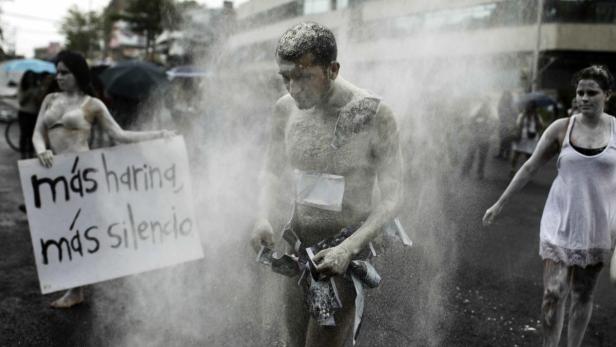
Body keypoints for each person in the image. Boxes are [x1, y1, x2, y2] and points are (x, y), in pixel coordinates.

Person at [250, 22, 402, 346]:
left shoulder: (374, 114)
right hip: (295, 250)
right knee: (293, 341)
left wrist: (347, 249)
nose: (293, 88)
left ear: (332, 69)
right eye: (285, 77)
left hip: (341, 258)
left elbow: (393, 197)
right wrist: (262, 215)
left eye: (304, 76)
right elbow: (271, 171)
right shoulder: (284, 110)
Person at [482, 65, 616, 347]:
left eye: (592, 92)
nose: (584, 98)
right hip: (560, 220)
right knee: (553, 294)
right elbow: (530, 167)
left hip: (598, 224)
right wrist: (499, 203)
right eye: (580, 92)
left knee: (582, 295)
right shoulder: (561, 128)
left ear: (608, 94)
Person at [32, 50, 174, 308]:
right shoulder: (50, 98)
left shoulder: (93, 104)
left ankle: (77, 290)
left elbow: (120, 135)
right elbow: (37, 133)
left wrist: (157, 133)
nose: (59, 76)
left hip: (82, 178)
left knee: (80, 233)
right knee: (61, 232)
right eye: (58, 71)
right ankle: (75, 287)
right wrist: (41, 150)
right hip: (55, 178)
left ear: (78, 74)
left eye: (64, 72)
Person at [461, 97, 494, 180]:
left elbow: (493, 126)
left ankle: (475, 172)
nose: (485, 108)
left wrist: (489, 131)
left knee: (479, 156)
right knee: (473, 155)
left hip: (483, 139)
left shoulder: (490, 115)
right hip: (478, 138)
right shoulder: (477, 114)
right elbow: (470, 125)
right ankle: (467, 171)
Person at [510, 100, 544, 176]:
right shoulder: (522, 115)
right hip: (522, 137)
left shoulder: (537, 116)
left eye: (533, 108)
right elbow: (518, 125)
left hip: (532, 138)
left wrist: (538, 123)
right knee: (516, 153)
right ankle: (513, 169)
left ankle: (526, 171)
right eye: (531, 107)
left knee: (529, 156)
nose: (532, 109)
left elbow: (541, 126)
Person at [17, 71, 44, 159]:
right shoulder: (22, 86)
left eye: (32, 77)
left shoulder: (38, 87)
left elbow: (39, 103)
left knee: (32, 135)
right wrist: (28, 93)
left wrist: (36, 97)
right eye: (29, 77)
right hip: (24, 113)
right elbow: (21, 102)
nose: (30, 79)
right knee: (24, 134)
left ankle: (31, 154)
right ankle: (23, 154)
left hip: (34, 114)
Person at [495, 90, 517, 160]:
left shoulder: (512, 105)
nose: (506, 97)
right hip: (502, 123)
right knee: (502, 139)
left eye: (507, 95)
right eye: (505, 95)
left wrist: (512, 122)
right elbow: (499, 111)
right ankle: (501, 153)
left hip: (510, 124)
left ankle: (507, 155)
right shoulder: (501, 103)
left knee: (508, 140)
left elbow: (515, 114)